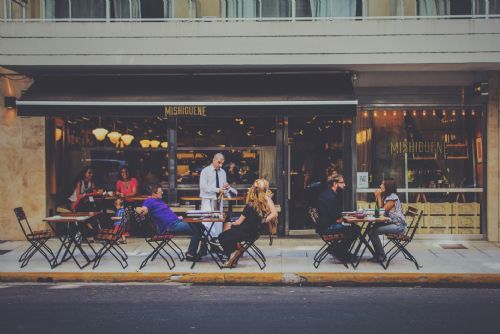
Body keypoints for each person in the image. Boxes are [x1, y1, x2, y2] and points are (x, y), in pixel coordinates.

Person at [218, 179, 278, 268]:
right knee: (231, 234)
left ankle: (232, 254)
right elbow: (275, 213)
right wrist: (262, 221)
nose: (250, 188)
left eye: (252, 187)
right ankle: (233, 257)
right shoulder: (266, 199)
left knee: (222, 236)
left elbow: (239, 222)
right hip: (256, 232)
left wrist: (232, 223)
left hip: (246, 232)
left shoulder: (250, 205)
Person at [135, 185, 203, 261]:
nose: (162, 193)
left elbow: (165, 214)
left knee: (199, 225)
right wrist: (138, 210)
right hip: (170, 226)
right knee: (197, 230)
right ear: (154, 194)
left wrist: (177, 217)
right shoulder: (149, 201)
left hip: (176, 222)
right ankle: (191, 254)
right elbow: (144, 210)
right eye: (160, 192)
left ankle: (196, 251)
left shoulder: (160, 200)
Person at [316, 174, 360, 262]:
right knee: (355, 230)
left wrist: (343, 218)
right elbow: (337, 217)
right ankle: (339, 252)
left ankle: (336, 250)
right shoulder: (331, 197)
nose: (344, 185)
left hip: (324, 225)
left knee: (352, 228)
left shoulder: (328, 194)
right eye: (342, 182)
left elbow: (337, 216)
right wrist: (345, 219)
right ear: (335, 184)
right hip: (327, 227)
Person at [368, 178, 407, 262]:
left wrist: (378, 196)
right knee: (371, 230)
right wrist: (379, 197)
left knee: (373, 231)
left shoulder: (393, 197)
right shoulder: (387, 196)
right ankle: (378, 254)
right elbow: (380, 209)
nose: (380, 186)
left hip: (398, 225)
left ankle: (381, 255)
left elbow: (381, 211)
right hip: (392, 223)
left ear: (387, 186)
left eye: (382, 184)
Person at [199, 153, 231, 237]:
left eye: (222, 163)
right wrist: (218, 189)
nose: (220, 165)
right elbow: (203, 187)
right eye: (219, 162)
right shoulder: (205, 171)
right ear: (213, 160)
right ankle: (204, 246)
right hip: (207, 200)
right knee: (207, 223)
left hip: (218, 200)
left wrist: (226, 188)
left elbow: (223, 187)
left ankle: (216, 244)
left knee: (218, 224)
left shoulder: (223, 172)